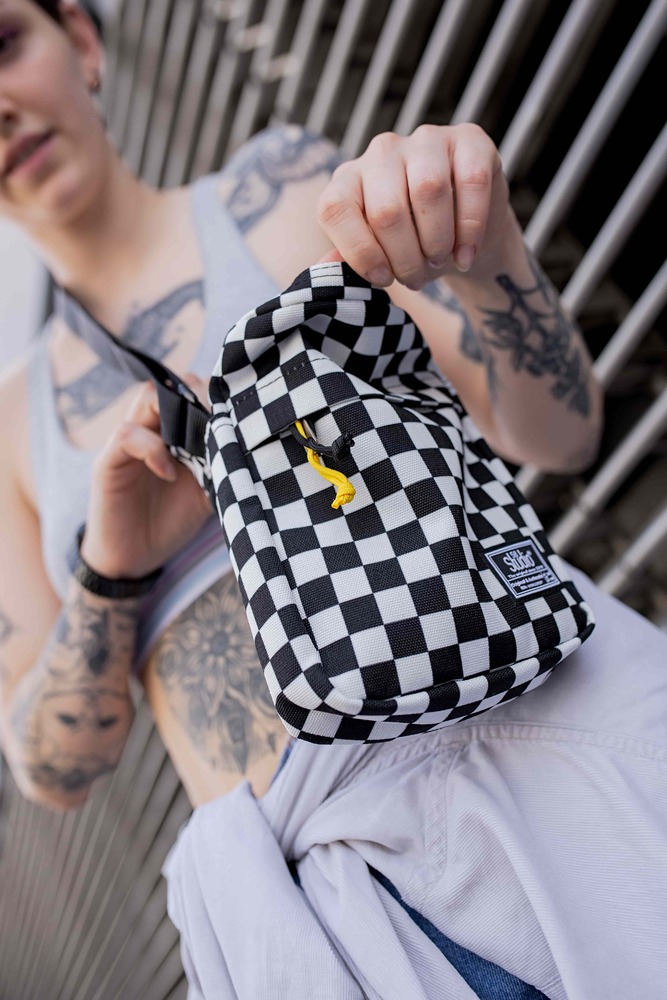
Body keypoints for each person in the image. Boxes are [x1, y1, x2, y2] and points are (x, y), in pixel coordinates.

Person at [0, 2, 665, 997]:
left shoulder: (283, 197)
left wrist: (489, 261)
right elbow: (49, 768)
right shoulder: (12, 427)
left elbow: (557, 434)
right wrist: (110, 573)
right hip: (321, 906)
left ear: (84, 44)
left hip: (524, 730)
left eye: (4, 44)